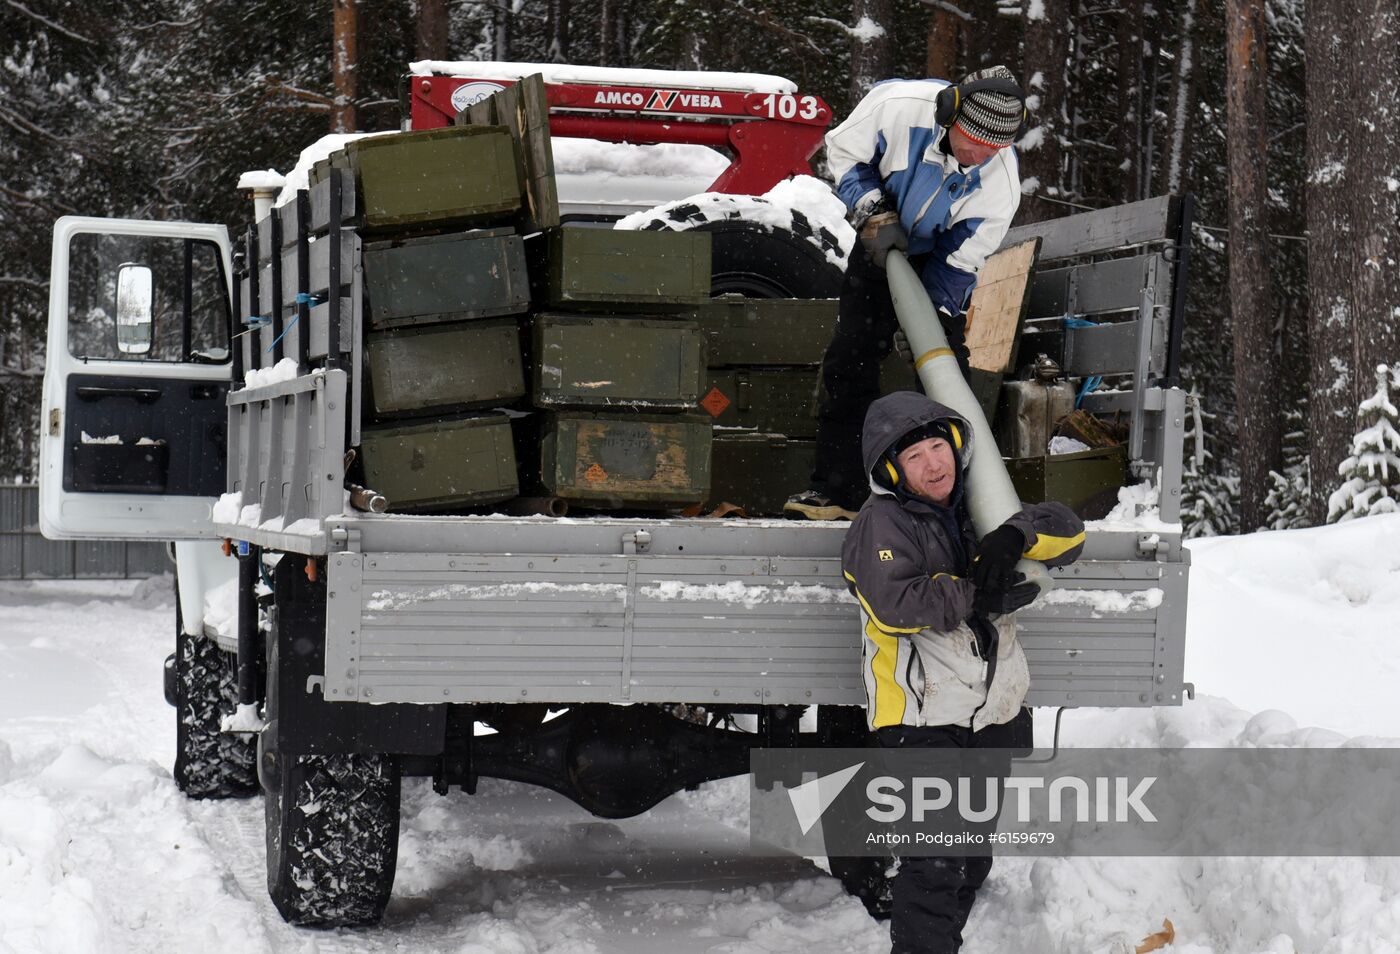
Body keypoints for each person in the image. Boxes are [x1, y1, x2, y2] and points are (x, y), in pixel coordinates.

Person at [837, 390, 1085, 953]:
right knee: (935, 861)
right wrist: (979, 593)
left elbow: (1069, 530)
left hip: (990, 713)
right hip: (922, 716)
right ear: (892, 469)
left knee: (970, 860)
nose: (933, 463)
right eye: (916, 456)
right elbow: (894, 604)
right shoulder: (882, 522)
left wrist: (1016, 535)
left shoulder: (978, 506)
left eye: (937, 447)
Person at [785, 66, 1028, 521]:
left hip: (937, 258)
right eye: (974, 143)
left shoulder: (1000, 186)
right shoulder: (896, 109)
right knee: (850, 359)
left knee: (945, 376)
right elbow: (842, 152)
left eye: (995, 148)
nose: (981, 157)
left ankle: (960, 506)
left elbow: (961, 259)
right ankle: (838, 490)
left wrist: (930, 315)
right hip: (877, 242)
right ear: (950, 117)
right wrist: (872, 208)